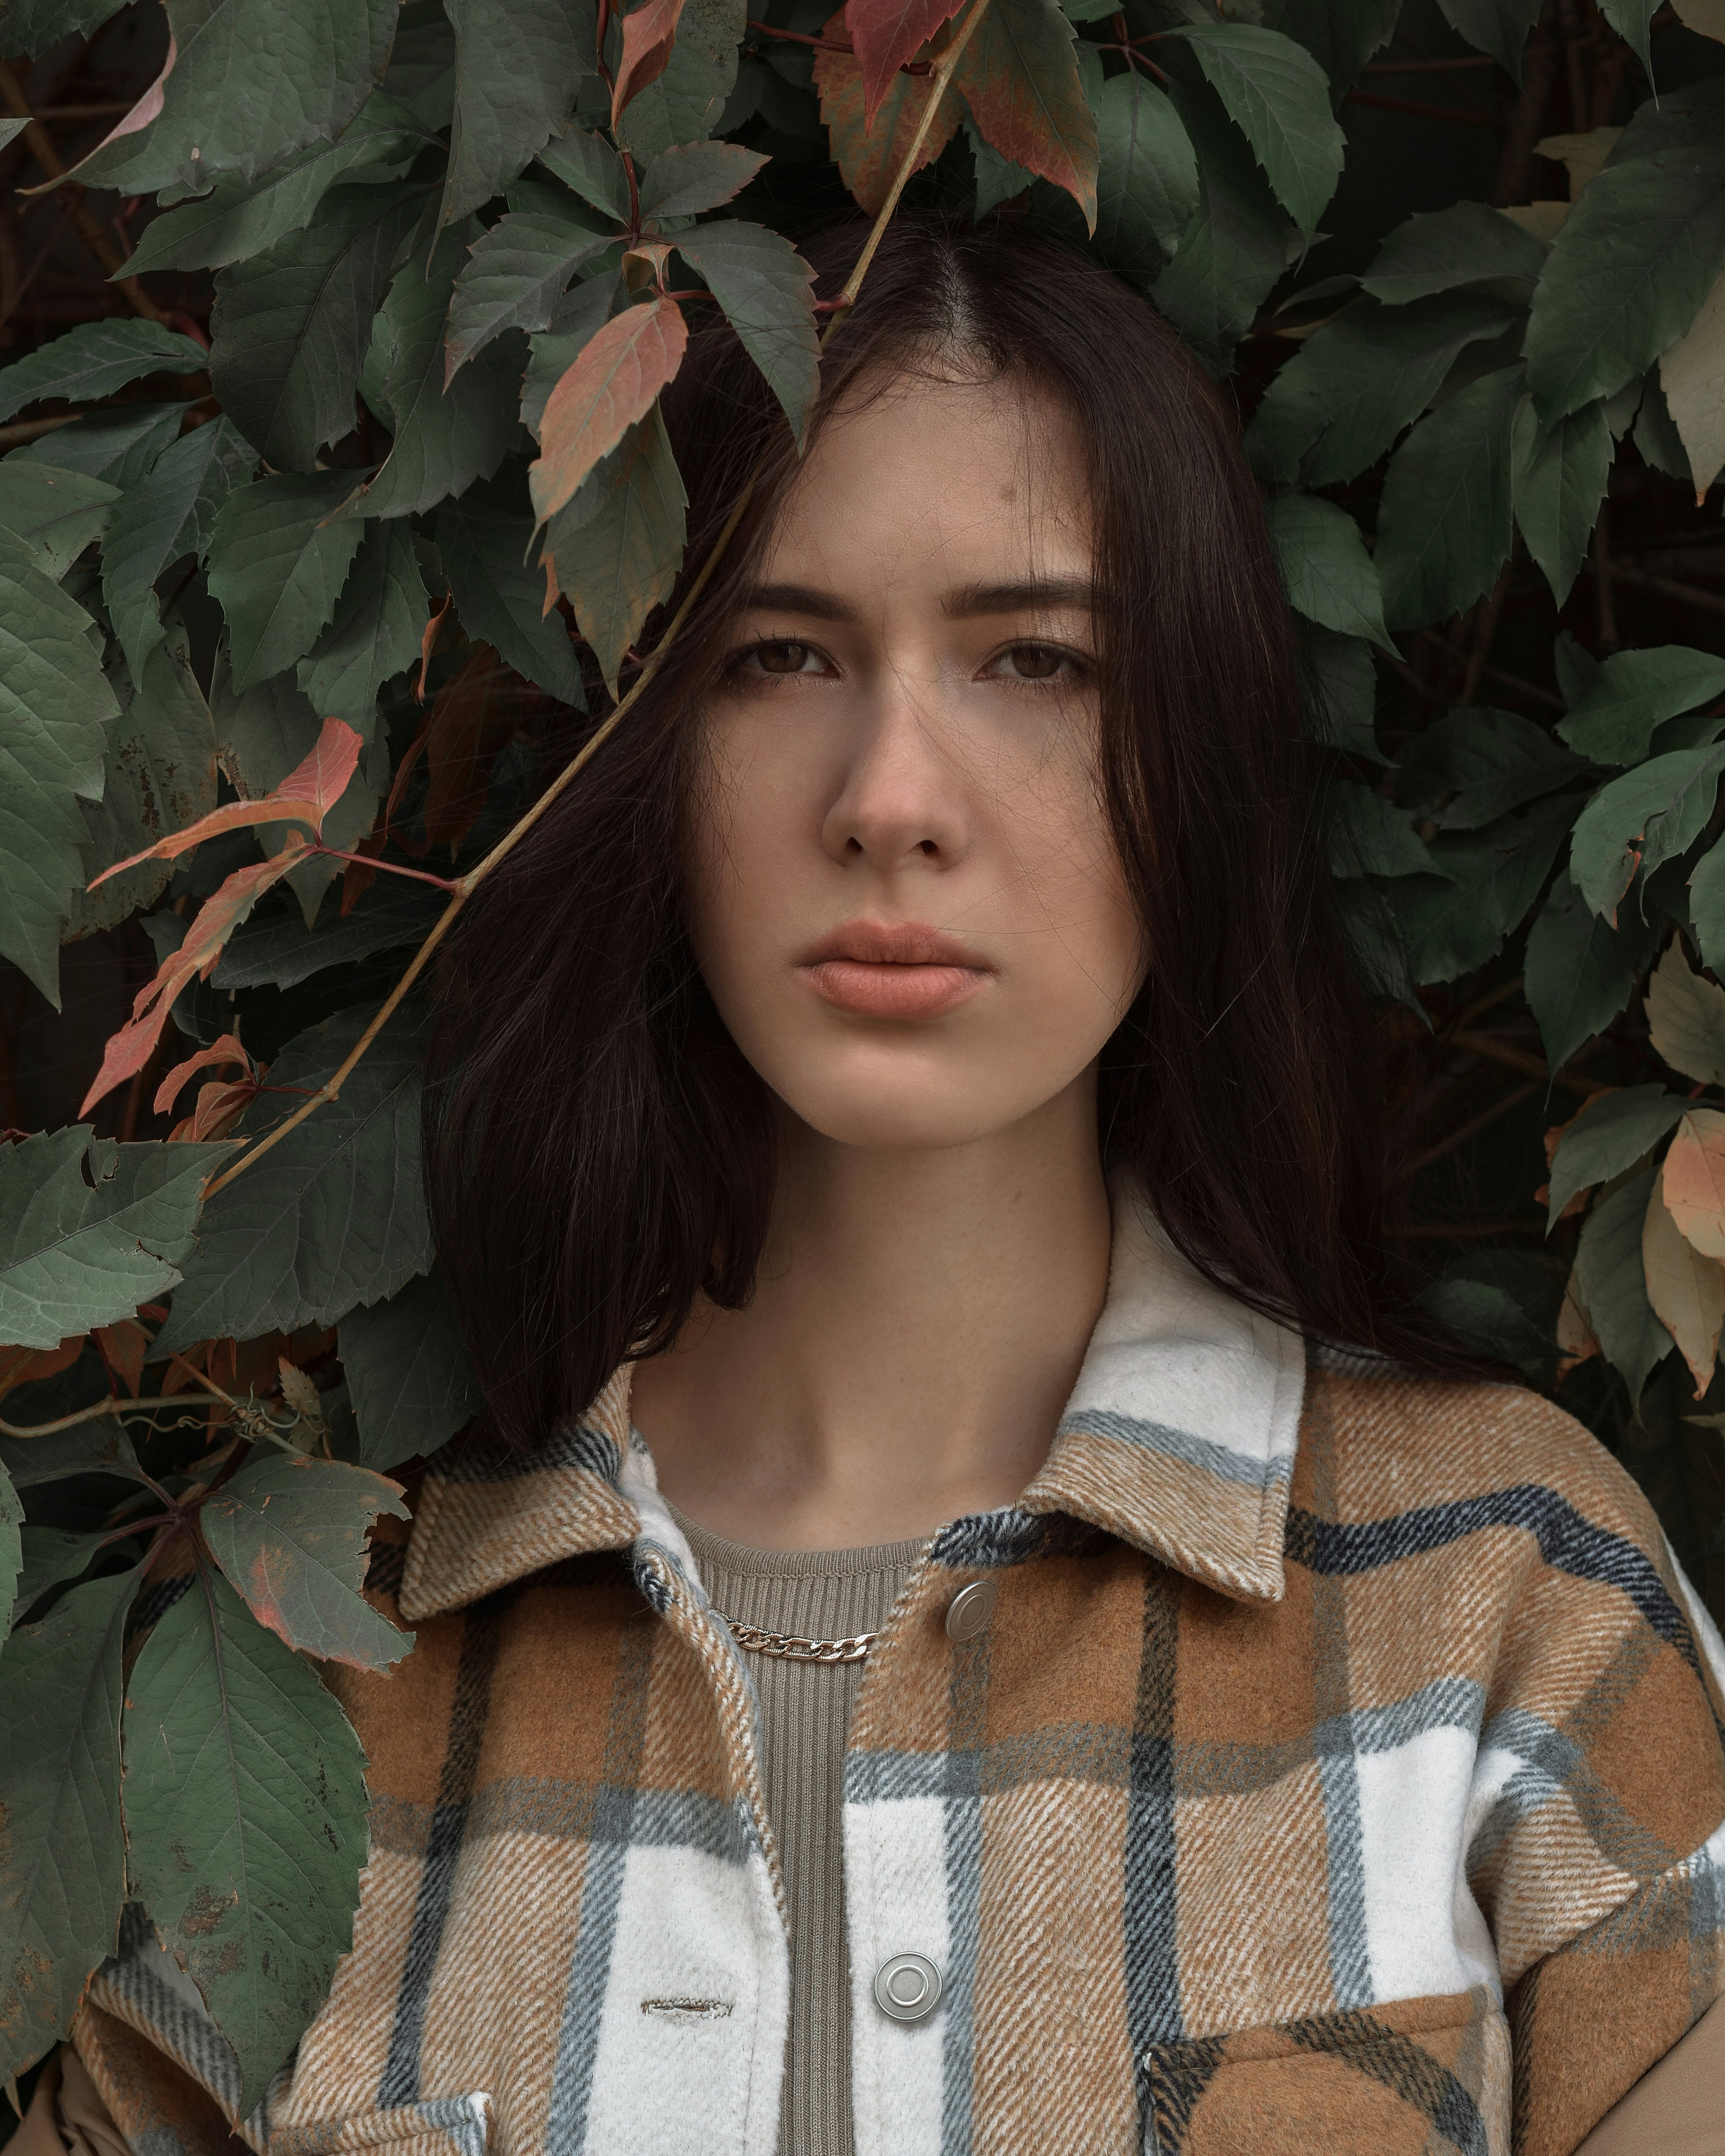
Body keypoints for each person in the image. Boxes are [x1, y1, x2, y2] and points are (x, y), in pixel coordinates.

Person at [36, 212, 1724, 2156]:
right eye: (773, 653)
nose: (889, 792)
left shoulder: (1513, 1602)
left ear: (1195, 746)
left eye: (1034, 658)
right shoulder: (299, 1679)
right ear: (647, 756)